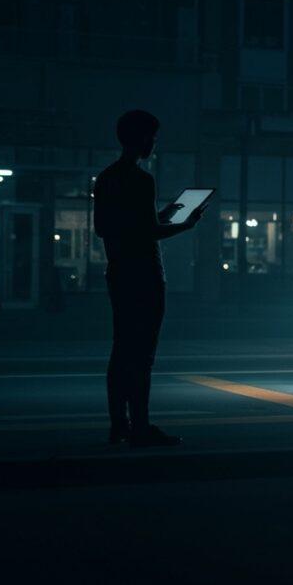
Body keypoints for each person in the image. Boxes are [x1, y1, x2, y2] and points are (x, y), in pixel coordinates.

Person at [94, 110, 203, 447]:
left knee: (121, 350)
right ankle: (140, 426)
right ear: (142, 138)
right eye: (153, 137)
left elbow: (108, 228)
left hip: (118, 273)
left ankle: (119, 425)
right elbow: (148, 232)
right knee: (142, 356)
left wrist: (161, 217)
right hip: (146, 275)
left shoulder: (106, 177)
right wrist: (183, 224)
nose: (154, 144)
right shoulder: (143, 181)